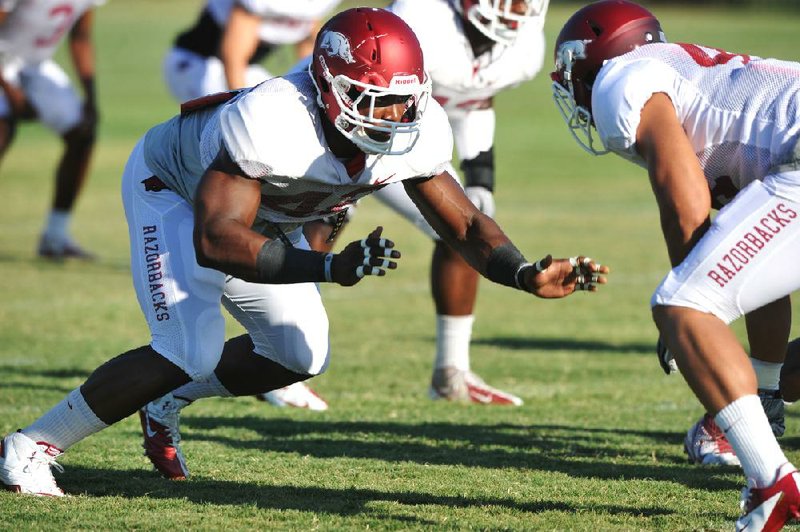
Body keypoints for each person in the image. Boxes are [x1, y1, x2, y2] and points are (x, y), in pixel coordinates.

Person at [0, 7, 608, 493]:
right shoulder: (272, 117)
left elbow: (469, 227)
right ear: (326, 86)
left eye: (404, 98)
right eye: (374, 98)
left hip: (257, 216)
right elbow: (215, 240)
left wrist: (525, 273)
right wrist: (326, 267)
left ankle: (168, 393)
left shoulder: (414, 125)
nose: (393, 116)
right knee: (189, 345)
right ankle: (31, 445)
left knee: (299, 351)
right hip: (176, 193)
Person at [551, 1, 800, 529]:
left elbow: (685, 201)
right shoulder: (683, 75)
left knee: (682, 303)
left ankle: (771, 484)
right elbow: (760, 276)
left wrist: (689, 285)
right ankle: (764, 402)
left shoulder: (621, 79)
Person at [303, 0, 550, 406]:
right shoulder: (421, 17)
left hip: (410, 136)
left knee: (467, 224)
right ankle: (283, 357)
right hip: (356, 129)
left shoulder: (523, 48)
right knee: (321, 219)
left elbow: (476, 101)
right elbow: (373, 90)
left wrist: (480, 175)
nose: (517, 8)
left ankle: (451, 373)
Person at [163, 0, 343, 410]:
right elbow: (233, 52)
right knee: (245, 165)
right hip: (204, 62)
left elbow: (311, 49)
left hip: (248, 67)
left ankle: (282, 304)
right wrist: (243, 113)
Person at [0, 0, 101, 259]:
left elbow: (80, 37)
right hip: (2, 60)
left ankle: (55, 236)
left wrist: (90, 96)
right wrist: (11, 92)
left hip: (34, 65)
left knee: (83, 130)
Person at [163, 0, 341, 104]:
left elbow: (308, 49)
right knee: (259, 117)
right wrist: (240, 106)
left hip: (246, 68)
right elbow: (233, 56)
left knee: (284, 105)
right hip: (197, 63)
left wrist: (316, 93)